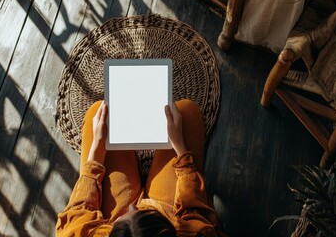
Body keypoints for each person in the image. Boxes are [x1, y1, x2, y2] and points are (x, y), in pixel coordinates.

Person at [56, 99, 222, 236]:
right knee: (186, 112)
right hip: (170, 212)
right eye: (141, 212)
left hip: (115, 220)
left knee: (99, 113)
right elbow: (197, 212)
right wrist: (180, 149)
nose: (132, 206)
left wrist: (96, 152)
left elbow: (75, 217)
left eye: (128, 214)